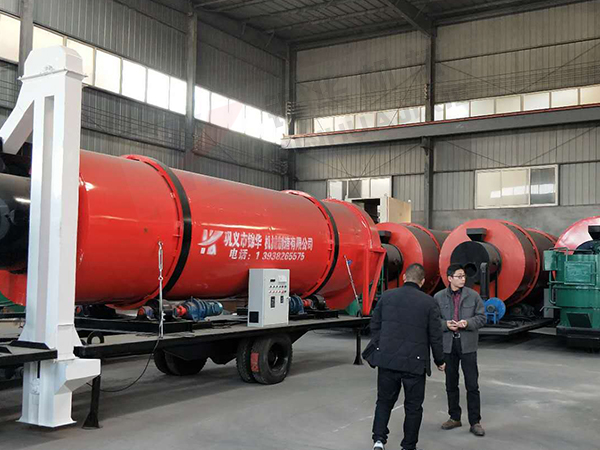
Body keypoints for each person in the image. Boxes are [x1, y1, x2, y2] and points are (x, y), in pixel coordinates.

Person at [364, 263, 445, 450]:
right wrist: (439, 360)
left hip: (387, 360)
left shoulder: (387, 296)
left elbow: (374, 325)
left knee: (384, 401)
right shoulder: (429, 302)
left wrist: (381, 346)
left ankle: (378, 440)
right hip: (415, 364)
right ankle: (408, 445)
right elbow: (435, 335)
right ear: (422, 282)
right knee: (413, 407)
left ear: (404, 277)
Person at [434, 264, 487, 437]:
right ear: (450, 278)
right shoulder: (439, 297)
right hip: (449, 345)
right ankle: (454, 417)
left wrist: (467, 323)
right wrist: (445, 325)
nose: (463, 279)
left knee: (472, 384)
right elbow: (433, 321)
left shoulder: (473, 296)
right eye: (459, 276)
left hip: (467, 345)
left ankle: (475, 421)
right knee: (451, 383)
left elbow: (482, 317)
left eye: (464, 276)